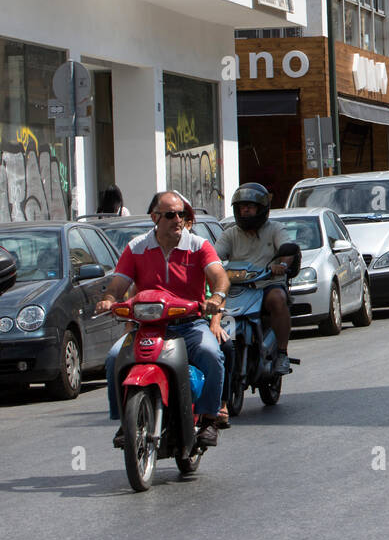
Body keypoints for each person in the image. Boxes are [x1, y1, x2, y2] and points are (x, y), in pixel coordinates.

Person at [98, 190, 229, 448]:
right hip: (147, 327)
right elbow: (118, 284)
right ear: (154, 217)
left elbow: (219, 276)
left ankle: (210, 419)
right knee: (114, 357)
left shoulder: (199, 245)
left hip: (190, 324)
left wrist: (216, 297)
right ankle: (125, 422)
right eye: (170, 214)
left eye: (181, 214)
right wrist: (110, 299)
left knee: (211, 353)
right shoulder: (136, 247)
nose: (178, 219)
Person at [213, 183, 294, 377]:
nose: (246, 210)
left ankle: (282, 353)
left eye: (250, 206)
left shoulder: (275, 229)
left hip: (266, 284)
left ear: (262, 208)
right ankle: (225, 351)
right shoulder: (230, 233)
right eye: (242, 207)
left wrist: (281, 265)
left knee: (277, 299)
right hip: (237, 288)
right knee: (220, 311)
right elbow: (214, 256)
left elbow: (288, 249)